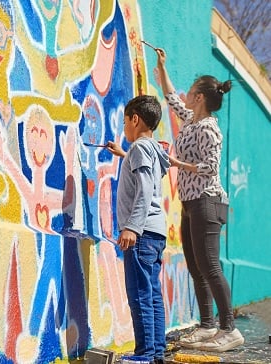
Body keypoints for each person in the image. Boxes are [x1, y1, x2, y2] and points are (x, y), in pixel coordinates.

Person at [154, 47, 244, 352]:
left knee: (210, 266)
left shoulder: (208, 128)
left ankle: (228, 329)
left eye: (191, 91)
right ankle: (207, 326)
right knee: (196, 266)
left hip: (207, 200)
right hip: (191, 203)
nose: (187, 95)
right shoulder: (191, 119)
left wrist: (179, 165)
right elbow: (171, 98)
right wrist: (162, 67)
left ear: (200, 97)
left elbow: (210, 167)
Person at [107, 95, 170, 364]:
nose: (124, 129)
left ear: (135, 119)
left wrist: (131, 227)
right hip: (155, 233)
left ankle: (144, 355)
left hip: (141, 234)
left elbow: (144, 189)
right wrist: (125, 155)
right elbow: (148, 178)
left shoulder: (139, 149)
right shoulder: (152, 150)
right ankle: (155, 352)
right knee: (152, 294)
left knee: (139, 293)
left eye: (125, 122)